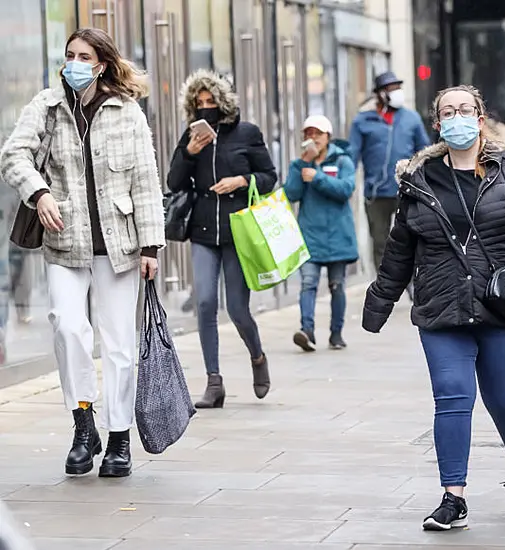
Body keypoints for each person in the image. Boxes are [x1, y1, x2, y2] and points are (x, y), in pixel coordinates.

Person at [362, 85, 505, 531]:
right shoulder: (419, 179)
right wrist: (380, 302)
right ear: (436, 123)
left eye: (465, 109)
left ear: (481, 116)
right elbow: (399, 249)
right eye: (447, 111)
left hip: (502, 307)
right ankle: (454, 496)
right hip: (441, 306)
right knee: (453, 396)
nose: (457, 117)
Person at [0, 27, 166, 477]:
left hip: (120, 247)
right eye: (69, 54)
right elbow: (12, 154)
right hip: (64, 241)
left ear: (102, 64)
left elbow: (146, 181)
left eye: (84, 55)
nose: (73, 62)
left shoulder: (127, 111)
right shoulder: (48, 105)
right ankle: (82, 424)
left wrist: (151, 245)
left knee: (119, 347)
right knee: (68, 328)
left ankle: (118, 439)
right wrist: (39, 193)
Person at [167, 69, 277, 409]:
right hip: (202, 231)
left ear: (223, 101)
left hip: (237, 232)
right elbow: (174, 182)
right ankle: (214, 381)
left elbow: (270, 177)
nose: (205, 108)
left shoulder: (247, 133)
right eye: (199, 103)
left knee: (238, 308)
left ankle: (257, 356)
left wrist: (240, 181)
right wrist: (188, 152)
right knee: (204, 303)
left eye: (210, 101)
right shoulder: (192, 135)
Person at [284, 115, 358, 350]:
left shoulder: (343, 160)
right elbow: (291, 195)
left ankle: (336, 333)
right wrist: (303, 166)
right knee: (308, 283)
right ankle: (307, 330)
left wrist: (318, 178)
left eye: (317, 133)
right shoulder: (299, 165)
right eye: (308, 133)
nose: (312, 138)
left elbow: (346, 189)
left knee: (337, 285)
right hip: (310, 235)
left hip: (338, 235)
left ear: (328, 136)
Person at [349, 71, 431, 273]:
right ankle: (384, 284)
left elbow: (425, 151)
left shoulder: (411, 118)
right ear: (379, 94)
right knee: (380, 240)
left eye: (397, 88)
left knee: (412, 235)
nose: (396, 93)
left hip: (407, 189)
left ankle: (413, 280)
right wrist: (346, 181)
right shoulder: (362, 121)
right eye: (391, 89)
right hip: (376, 192)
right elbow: (352, 155)